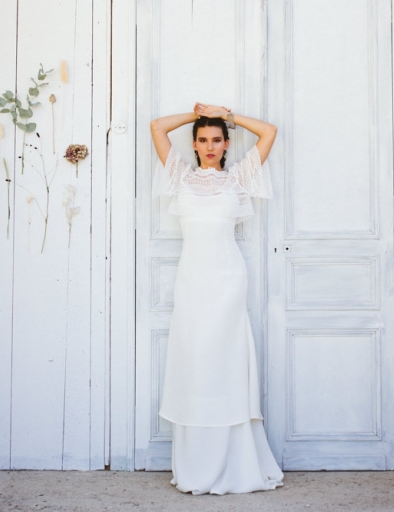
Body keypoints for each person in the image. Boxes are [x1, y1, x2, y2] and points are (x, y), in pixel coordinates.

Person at [150, 103, 283, 495]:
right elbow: (157, 127)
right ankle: (196, 463)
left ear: (226, 144)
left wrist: (228, 114)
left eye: (217, 140)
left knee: (225, 363)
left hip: (228, 280)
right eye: (203, 140)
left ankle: (234, 460)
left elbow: (269, 132)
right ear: (194, 143)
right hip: (192, 282)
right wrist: (198, 113)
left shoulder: (238, 179)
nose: (210, 147)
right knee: (195, 364)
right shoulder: (181, 177)